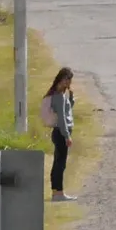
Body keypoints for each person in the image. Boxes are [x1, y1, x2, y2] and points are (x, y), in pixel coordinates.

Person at [41, 67, 76, 202]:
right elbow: (62, 118)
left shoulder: (58, 95)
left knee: (58, 162)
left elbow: (66, 111)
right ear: (63, 79)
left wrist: (71, 100)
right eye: (68, 80)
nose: (69, 83)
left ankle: (56, 191)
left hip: (58, 132)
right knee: (60, 164)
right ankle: (58, 193)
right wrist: (67, 136)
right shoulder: (59, 97)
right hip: (61, 133)